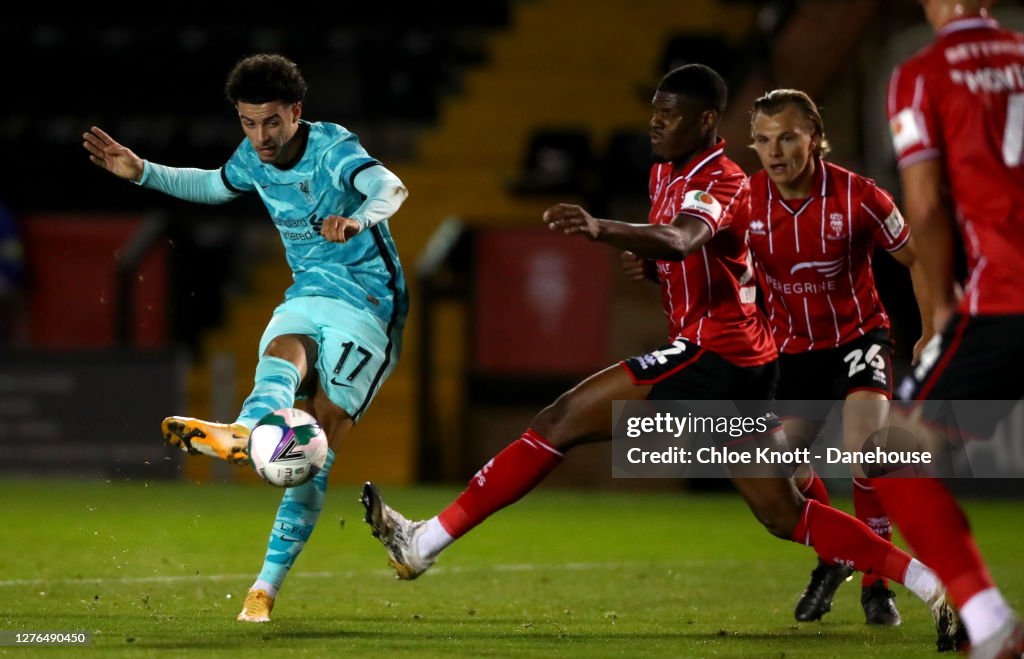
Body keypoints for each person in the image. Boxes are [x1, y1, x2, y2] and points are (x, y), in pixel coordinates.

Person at [361, 64, 960, 648]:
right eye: (653, 112)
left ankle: (423, 542)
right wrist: (655, 269)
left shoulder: (724, 179)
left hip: (714, 354)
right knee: (784, 513)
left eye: (669, 115)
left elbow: (683, 238)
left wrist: (603, 229)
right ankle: (933, 585)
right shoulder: (666, 175)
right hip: (739, 358)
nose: (654, 124)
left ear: (705, 122)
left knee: (559, 420)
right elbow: (703, 257)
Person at [82, 53, 409, 623]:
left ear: (296, 113)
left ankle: (267, 583)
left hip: (369, 302)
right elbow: (214, 185)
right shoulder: (253, 157)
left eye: (272, 123)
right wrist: (144, 173)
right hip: (310, 289)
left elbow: (392, 187)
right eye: (248, 123)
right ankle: (245, 430)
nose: (260, 136)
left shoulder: (333, 151)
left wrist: (359, 219)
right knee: (283, 349)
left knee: (317, 446)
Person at [747, 89, 933, 627]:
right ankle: (836, 556)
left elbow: (915, 254)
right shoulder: (745, 202)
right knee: (781, 467)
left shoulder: (860, 196)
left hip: (858, 339)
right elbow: (718, 265)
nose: (774, 151)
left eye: (787, 136)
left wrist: (928, 328)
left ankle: (878, 587)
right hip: (790, 351)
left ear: (814, 136)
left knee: (867, 450)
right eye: (762, 139)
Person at [882, 1, 1024, 656]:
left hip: (1004, 299)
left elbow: (927, 201)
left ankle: (988, 619)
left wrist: (939, 303)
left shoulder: (922, 72)